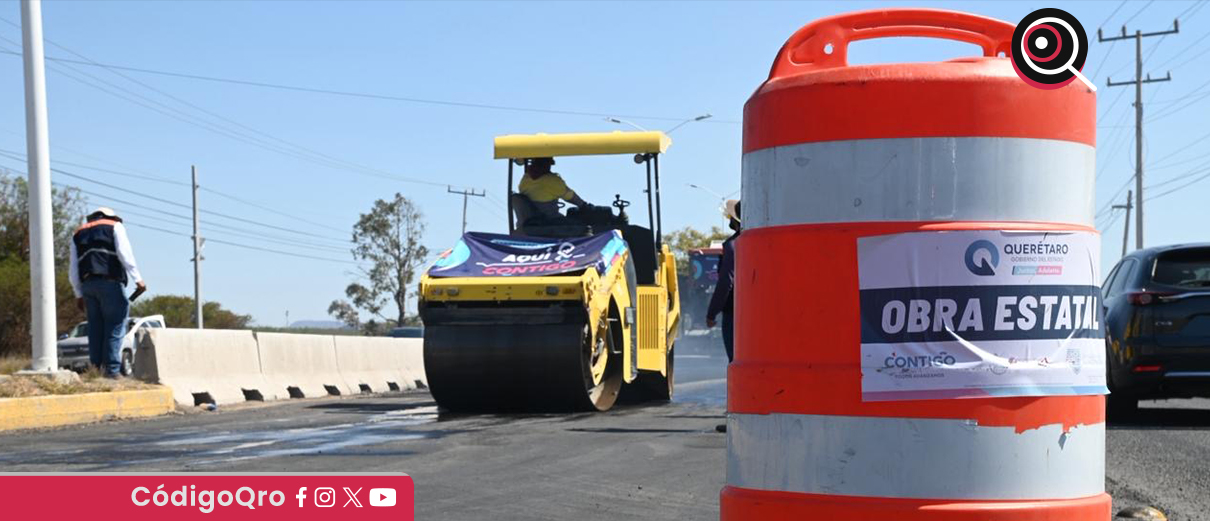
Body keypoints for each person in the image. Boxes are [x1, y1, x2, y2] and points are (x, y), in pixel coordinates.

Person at [68, 207, 146, 378]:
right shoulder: (115, 226)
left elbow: (73, 268)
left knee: (95, 329)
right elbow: (125, 254)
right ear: (111, 216)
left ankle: (95, 371)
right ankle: (111, 371)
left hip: (88, 285)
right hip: (110, 282)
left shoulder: (78, 233)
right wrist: (138, 279)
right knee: (115, 326)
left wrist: (78, 294)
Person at [706, 200, 741, 363]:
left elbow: (726, 282)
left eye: (730, 217)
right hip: (758, 311)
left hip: (735, 313)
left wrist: (712, 313)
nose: (728, 221)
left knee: (735, 359)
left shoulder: (733, 246)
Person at [518, 157, 591, 218]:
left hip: (529, 224)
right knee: (577, 222)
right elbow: (571, 197)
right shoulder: (552, 180)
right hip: (549, 222)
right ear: (546, 165)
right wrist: (584, 205)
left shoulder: (525, 180)